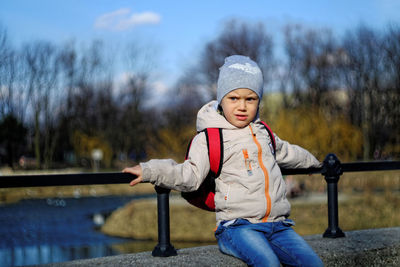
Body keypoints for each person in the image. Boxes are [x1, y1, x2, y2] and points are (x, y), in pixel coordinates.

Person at [123, 55, 324, 267]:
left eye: (250, 99)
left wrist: (314, 163)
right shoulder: (210, 138)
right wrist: (149, 170)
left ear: (258, 101)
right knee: (269, 264)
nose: (242, 106)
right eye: (234, 98)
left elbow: (286, 152)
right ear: (221, 99)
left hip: (278, 225)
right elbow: (188, 175)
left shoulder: (263, 132)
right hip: (237, 227)